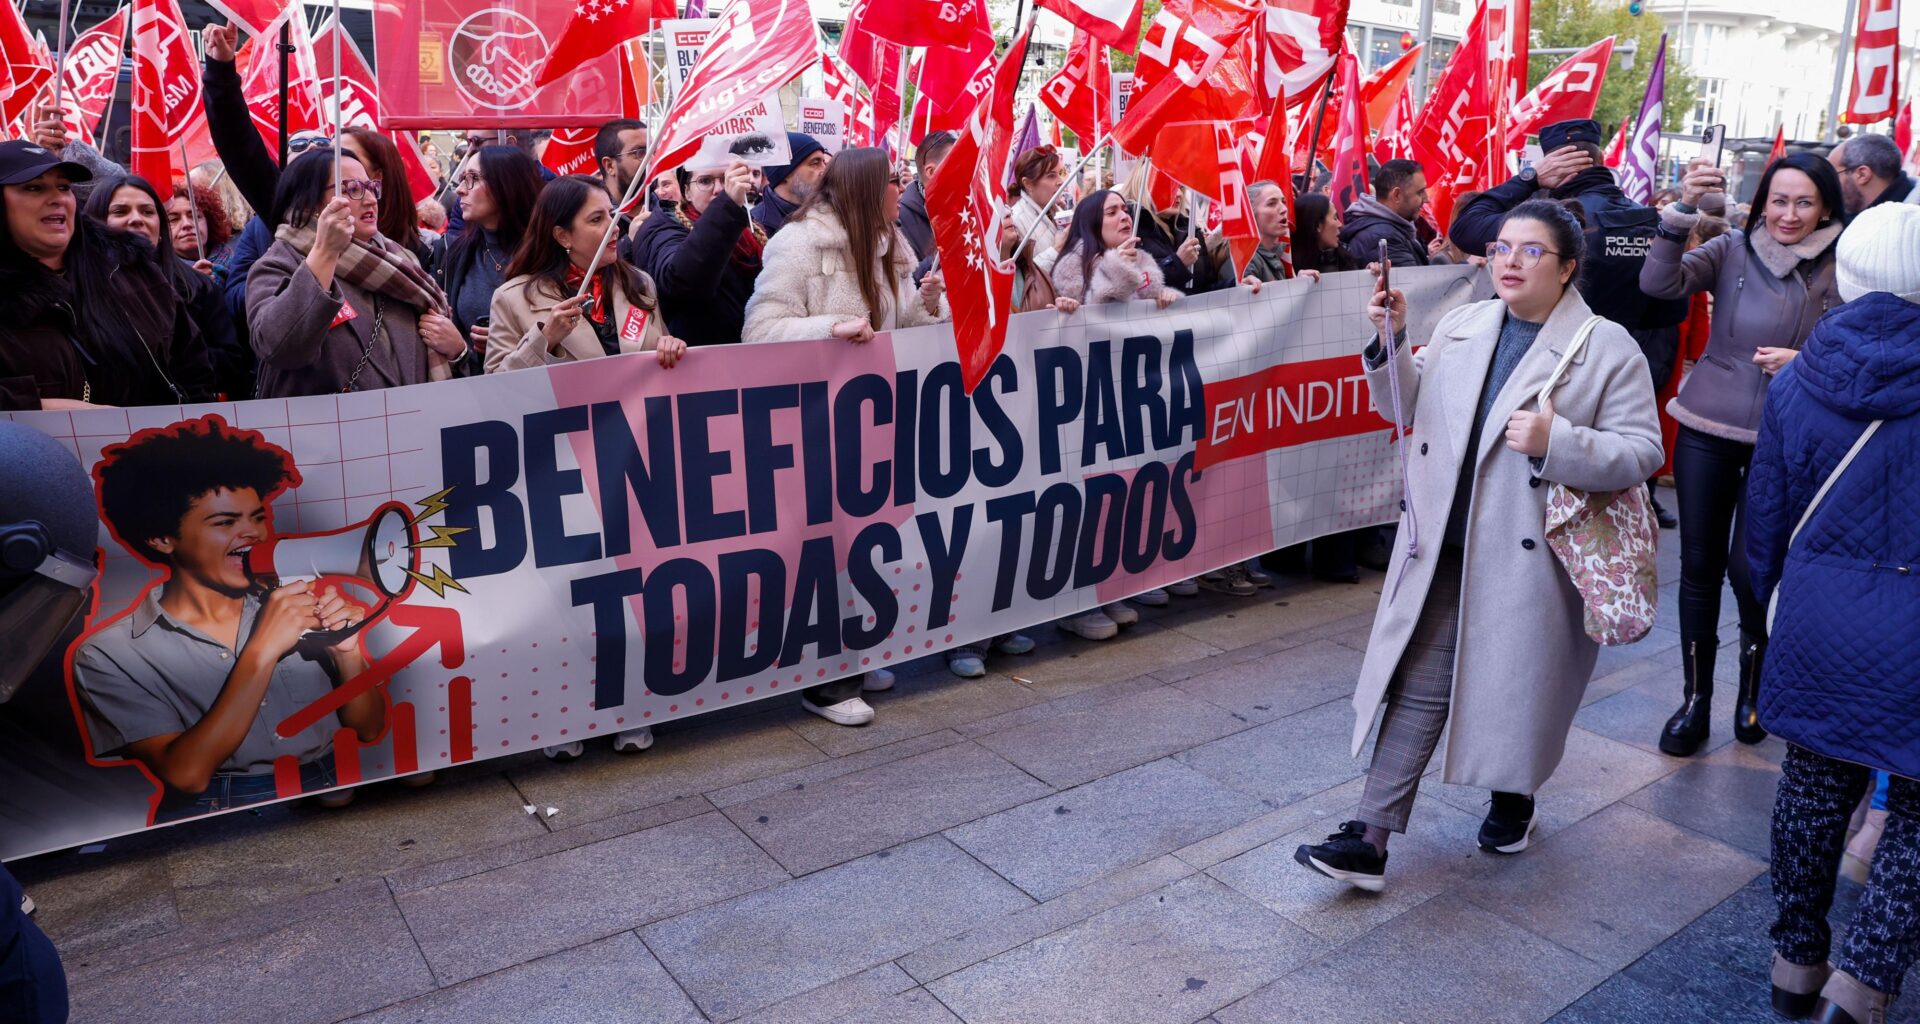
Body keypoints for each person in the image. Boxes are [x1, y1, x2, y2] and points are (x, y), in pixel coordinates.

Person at [1295, 199, 1662, 891]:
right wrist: (1391, 342)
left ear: (1568, 267)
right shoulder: (1464, 324)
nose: (1510, 262)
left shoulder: (1605, 345)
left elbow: (1643, 450)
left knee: (1517, 694)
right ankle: (1370, 838)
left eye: (1530, 251)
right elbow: (1401, 407)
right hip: (1444, 544)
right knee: (1421, 686)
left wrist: (1560, 443)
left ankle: (1514, 797)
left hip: (1532, 559)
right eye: (1500, 248)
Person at [1745, 201, 1920, 1024]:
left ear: (1846, 272)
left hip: (1815, 615)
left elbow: (1765, 523)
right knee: (1918, 813)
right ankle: (1865, 986)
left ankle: (1794, 962)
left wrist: (1771, 606)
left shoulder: (1798, 378)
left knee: (1810, 791)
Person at [1638, 151, 1848, 757]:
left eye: (1804, 201)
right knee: (1699, 568)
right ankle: (1695, 699)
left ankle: (1752, 693)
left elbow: (1864, 346)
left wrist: (1806, 363)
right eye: (1779, 200)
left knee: (1754, 570)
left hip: (1787, 435)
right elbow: (1659, 283)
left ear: (1826, 206)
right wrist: (1679, 211)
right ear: (1762, 203)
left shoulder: (1844, 263)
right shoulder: (1731, 247)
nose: (1788, 214)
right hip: (1707, 424)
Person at [74, 418, 387, 820]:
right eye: (224, 522)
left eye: (256, 517)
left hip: (329, 791)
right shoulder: (110, 655)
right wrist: (262, 652)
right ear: (161, 537)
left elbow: (370, 728)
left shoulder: (290, 603)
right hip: (219, 813)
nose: (253, 534)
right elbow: (187, 774)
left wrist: (348, 654)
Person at [741, 147, 948, 723]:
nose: (900, 192)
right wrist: (831, 328)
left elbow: (904, 326)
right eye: (893, 182)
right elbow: (759, 330)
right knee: (824, 550)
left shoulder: (891, 245)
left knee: (863, 543)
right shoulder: (798, 243)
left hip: (872, 419)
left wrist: (932, 306)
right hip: (810, 422)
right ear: (865, 190)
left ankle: (851, 653)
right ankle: (826, 682)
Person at [1452, 119, 1695, 530]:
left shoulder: (1554, 225)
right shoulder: (1651, 221)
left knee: (1521, 516)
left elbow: (1466, 226)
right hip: (1626, 373)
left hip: (1545, 385)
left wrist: (1528, 179)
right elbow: (1669, 312)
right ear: (1601, 160)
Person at [1046, 188, 1190, 629]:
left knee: (1127, 490)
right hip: (1085, 398)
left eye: (1125, 210)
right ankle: (1077, 603)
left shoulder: (1141, 260)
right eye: (1112, 212)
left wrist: (1165, 298)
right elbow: (1088, 314)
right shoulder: (1073, 264)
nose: (1124, 217)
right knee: (1088, 500)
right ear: (1092, 221)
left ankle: (1117, 584)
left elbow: (1152, 305)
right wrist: (1117, 268)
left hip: (1130, 394)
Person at [0, 141, 215, 411]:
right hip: (35, 451)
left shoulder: (131, 268)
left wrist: (187, 432)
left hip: (155, 448)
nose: (57, 198)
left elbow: (192, 367)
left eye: (64, 187)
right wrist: (41, 407)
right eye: (34, 187)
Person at [247, 149, 467, 397]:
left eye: (371, 187)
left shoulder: (401, 261)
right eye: (352, 189)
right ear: (309, 203)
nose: (371, 199)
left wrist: (457, 351)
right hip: (329, 432)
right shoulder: (278, 264)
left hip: (410, 425)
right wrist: (325, 253)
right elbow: (280, 348)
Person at [487, 175, 688, 373]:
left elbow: (660, 355)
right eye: (596, 219)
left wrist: (669, 347)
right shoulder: (511, 300)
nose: (615, 227)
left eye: (611, 214)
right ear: (563, 236)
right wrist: (545, 339)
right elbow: (498, 389)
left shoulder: (638, 283)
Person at [85, 176, 249, 402]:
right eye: (120, 212)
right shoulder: (78, 288)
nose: (136, 219)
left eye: (147, 211)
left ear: (159, 227)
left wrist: (176, 355)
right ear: (96, 222)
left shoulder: (198, 286)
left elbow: (232, 364)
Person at [429, 145, 544, 375]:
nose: (460, 189)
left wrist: (514, 340)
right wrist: (461, 349)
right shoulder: (451, 252)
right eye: (462, 179)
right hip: (474, 395)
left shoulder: (549, 251)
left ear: (507, 185)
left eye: (472, 179)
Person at [633, 159, 764, 347]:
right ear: (686, 191)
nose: (719, 189)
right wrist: (726, 206)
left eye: (726, 179)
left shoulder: (750, 229)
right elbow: (681, 284)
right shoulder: (661, 228)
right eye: (705, 181)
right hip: (697, 363)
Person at [1340, 159, 1435, 268]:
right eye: (1420, 192)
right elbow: (1418, 283)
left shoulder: (1389, 230)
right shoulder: (1384, 238)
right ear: (1397, 195)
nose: (1426, 199)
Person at [752, 132, 830, 237]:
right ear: (785, 175)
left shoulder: (828, 214)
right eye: (815, 163)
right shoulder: (756, 226)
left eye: (824, 163)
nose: (824, 171)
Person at [1827, 132, 1920, 217]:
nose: (1828, 183)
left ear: (1862, 174)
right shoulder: (1847, 211)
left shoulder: (1911, 226)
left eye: (1832, 175)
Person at [1010, 145, 1069, 276]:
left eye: (1062, 173)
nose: (1061, 181)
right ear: (1028, 184)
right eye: (1051, 176)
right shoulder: (1015, 222)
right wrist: (1056, 249)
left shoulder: (1058, 211)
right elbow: (1020, 280)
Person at [898, 131, 954, 263]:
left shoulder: (965, 208)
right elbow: (907, 279)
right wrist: (949, 248)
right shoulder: (899, 219)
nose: (964, 169)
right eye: (955, 162)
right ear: (931, 171)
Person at [167, 181, 235, 274]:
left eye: (195, 216)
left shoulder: (241, 261)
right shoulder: (159, 276)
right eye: (173, 219)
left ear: (209, 222)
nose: (187, 224)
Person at [1294, 192, 1357, 276]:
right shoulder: (1288, 267)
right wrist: (1297, 283)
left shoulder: (1346, 256)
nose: (1340, 224)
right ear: (1317, 225)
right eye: (1335, 218)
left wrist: (1367, 275)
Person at [594, 118, 648, 204]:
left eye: (654, 151)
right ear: (610, 166)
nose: (652, 158)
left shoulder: (667, 211)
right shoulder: (593, 214)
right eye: (640, 152)